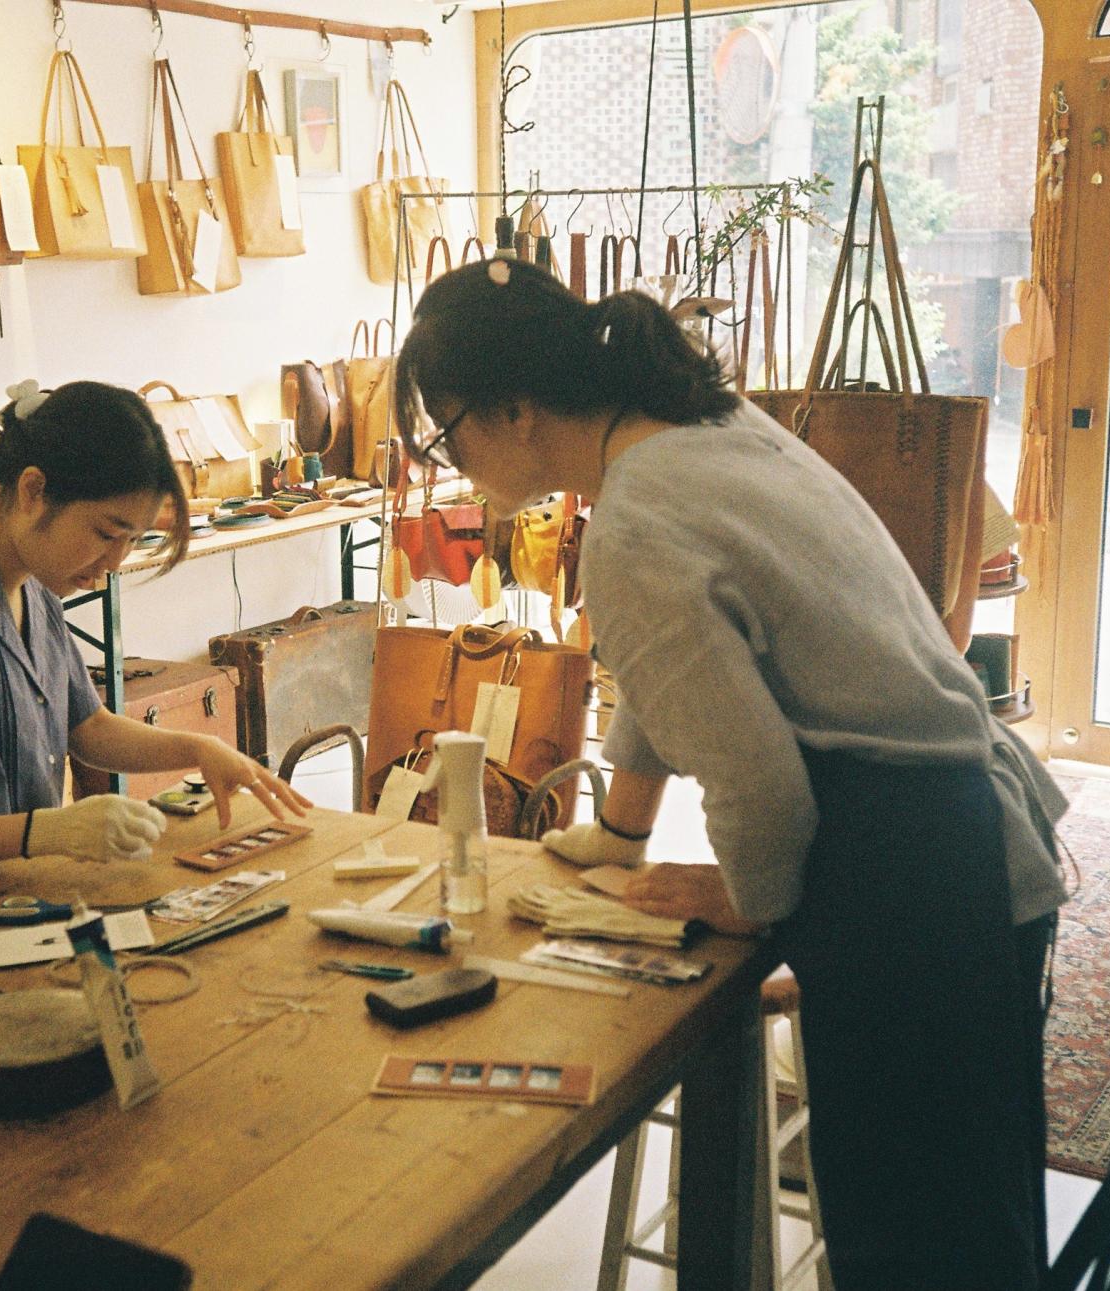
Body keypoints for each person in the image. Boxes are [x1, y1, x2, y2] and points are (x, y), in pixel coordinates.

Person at [393, 258, 1070, 1290]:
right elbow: (693, 671)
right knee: (975, 1219)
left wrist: (752, 900)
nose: (456, 462)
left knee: (919, 1252)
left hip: (900, 866)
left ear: (517, 410)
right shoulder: (705, 428)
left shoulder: (635, 522)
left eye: (450, 433)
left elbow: (758, 786)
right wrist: (622, 831)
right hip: (958, 830)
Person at [0, 380, 310, 928]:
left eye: (131, 540)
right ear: (34, 490)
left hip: (4, 910)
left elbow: (88, 727)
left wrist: (198, 748)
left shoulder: (31, 585)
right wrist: (45, 831)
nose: (114, 563)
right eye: (105, 533)